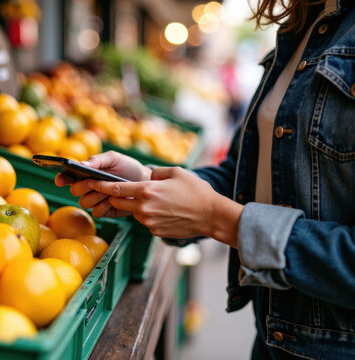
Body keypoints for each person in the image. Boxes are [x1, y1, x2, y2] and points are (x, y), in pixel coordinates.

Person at [55, 0, 355, 358]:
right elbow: (244, 173)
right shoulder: (303, 26)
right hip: (274, 338)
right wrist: (149, 183)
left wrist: (218, 218)